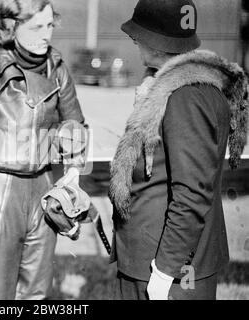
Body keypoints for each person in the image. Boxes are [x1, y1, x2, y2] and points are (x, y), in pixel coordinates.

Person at [0, 0, 87, 300]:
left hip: (44, 192)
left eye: (50, 25)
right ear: (11, 27)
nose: (46, 34)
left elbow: (76, 124)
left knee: (35, 294)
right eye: (36, 26)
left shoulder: (57, 69)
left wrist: (73, 172)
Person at [108, 0, 248, 300]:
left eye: (138, 35)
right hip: (160, 259)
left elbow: (192, 193)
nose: (134, 41)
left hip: (168, 268)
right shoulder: (192, 89)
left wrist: (165, 269)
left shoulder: (185, 98)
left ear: (156, 42)